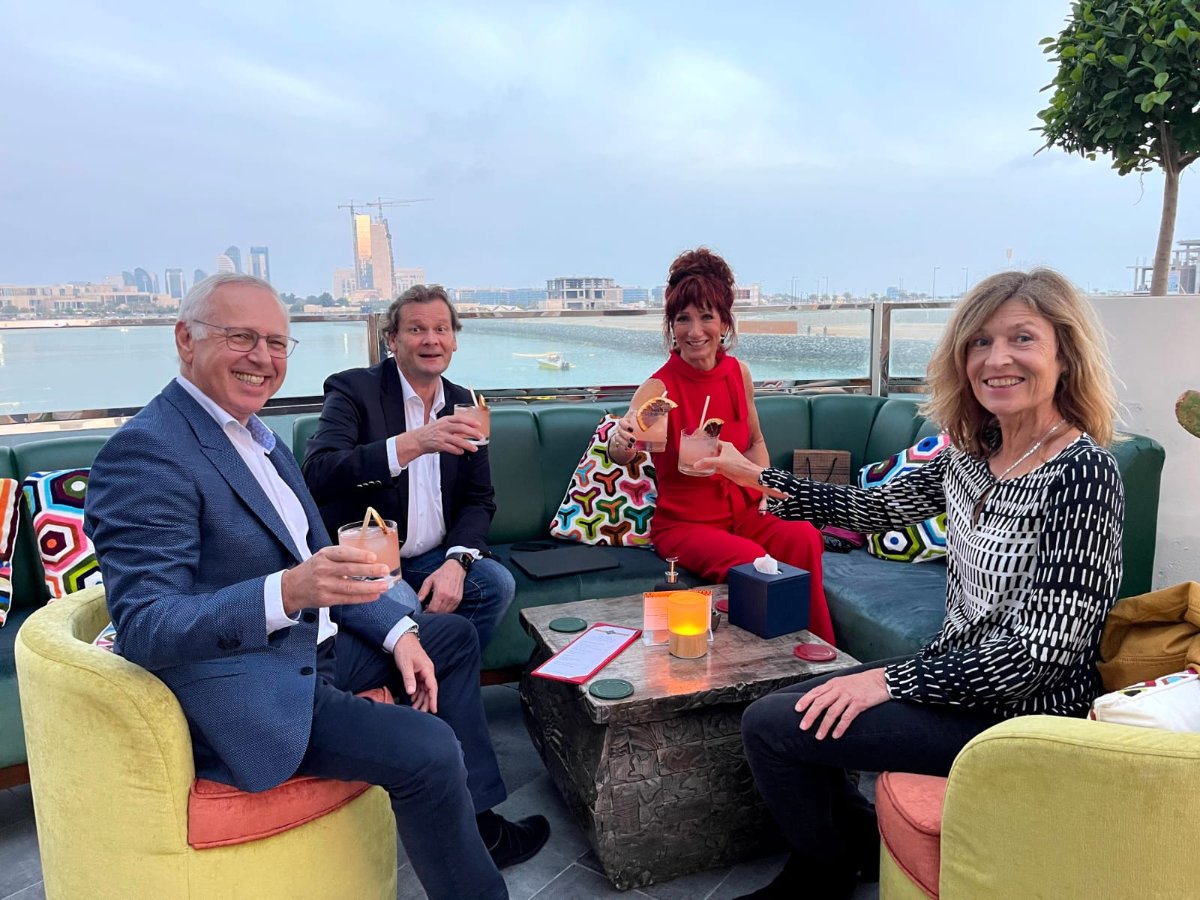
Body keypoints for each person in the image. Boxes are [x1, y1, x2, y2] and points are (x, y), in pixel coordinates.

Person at [84, 274, 548, 900]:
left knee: (450, 639)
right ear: (185, 340)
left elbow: (317, 557)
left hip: (317, 645)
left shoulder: (257, 438)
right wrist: (287, 593)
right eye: (241, 337)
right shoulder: (147, 452)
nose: (262, 358)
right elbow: (145, 625)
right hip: (257, 681)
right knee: (429, 747)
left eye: (277, 342)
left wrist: (399, 632)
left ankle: (476, 820)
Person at [701, 269, 1125, 899]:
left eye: (1022, 339)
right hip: (955, 674)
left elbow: (1040, 656)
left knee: (775, 726)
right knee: (795, 709)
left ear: (1064, 355)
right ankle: (855, 850)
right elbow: (873, 508)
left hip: (1022, 711)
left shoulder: (1083, 473)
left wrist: (886, 681)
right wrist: (754, 476)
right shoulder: (972, 451)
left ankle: (820, 876)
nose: (996, 359)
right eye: (979, 342)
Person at [608, 248, 834, 643]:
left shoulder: (737, 373)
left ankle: (819, 649)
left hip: (743, 512)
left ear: (724, 321)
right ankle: (774, 656)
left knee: (804, 537)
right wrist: (621, 438)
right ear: (671, 325)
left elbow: (756, 441)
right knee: (754, 562)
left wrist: (761, 487)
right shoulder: (659, 387)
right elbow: (625, 450)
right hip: (686, 525)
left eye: (706, 317)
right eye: (683, 319)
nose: (695, 331)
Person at [302, 284, 515, 652]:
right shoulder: (353, 390)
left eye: (441, 329)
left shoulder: (465, 405)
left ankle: (442, 674)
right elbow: (317, 473)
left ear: (454, 340)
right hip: (367, 560)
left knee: (496, 584)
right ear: (392, 340)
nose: (431, 340)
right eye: (416, 329)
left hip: (434, 554)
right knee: (401, 603)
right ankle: (411, 681)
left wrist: (457, 561)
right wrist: (412, 443)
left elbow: (479, 499)